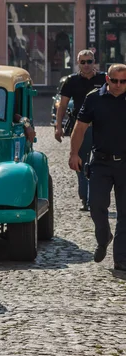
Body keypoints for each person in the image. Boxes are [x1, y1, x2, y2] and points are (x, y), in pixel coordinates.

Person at [68, 63, 126, 271]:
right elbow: (80, 127)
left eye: (123, 81)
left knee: (124, 213)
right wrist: (74, 153)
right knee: (95, 206)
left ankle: (121, 259)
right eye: (115, 80)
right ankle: (104, 238)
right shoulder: (94, 98)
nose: (119, 85)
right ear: (107, 79)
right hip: (101, 162)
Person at [55, 49, 106, 211]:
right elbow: (62, 105)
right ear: (78, 63)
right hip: (80, 128)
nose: (86, 65)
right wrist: (58, 127)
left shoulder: (104, 79)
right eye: (82, 62)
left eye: (89, 61)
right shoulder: (71, 81)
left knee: (99, 164)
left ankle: (94, 198)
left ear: (94, 62)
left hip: (101, 128)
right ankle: (86, 199)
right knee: (80, 163)